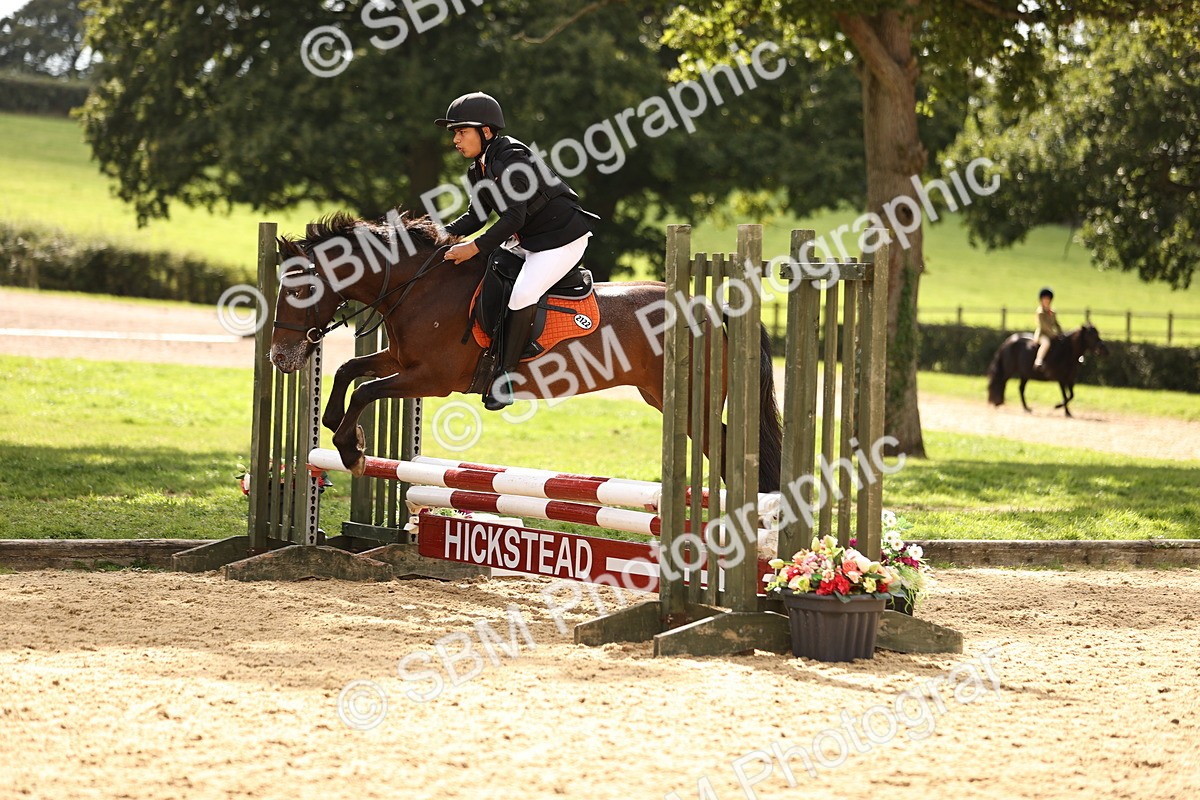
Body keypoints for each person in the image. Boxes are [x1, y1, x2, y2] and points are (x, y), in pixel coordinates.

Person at [436, 92, 598, 410]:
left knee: (522, 294)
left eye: (461, 131)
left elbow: (514, 217)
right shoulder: (478, 170)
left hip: (561, 239)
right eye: (454, 133)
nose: (455, 139)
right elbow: (475, 218)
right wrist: (436, 238)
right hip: (530, 240)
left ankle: (506, 379)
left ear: (486, 131)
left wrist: (474, 247)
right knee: (488, 271)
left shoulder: (513, 159)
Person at [1033, 287, 1062, 369]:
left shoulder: (1052, 312)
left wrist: (1061, 333)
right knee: (1046, 343)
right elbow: (1044, 326)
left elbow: (1056, 324)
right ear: (1041, 300)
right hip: (1042, 334)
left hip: (1052, 334)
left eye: (1048, 299)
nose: (1046, 301)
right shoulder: (1040, 312)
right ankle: (1038, 360)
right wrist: (1054, 334)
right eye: (1044, 299)